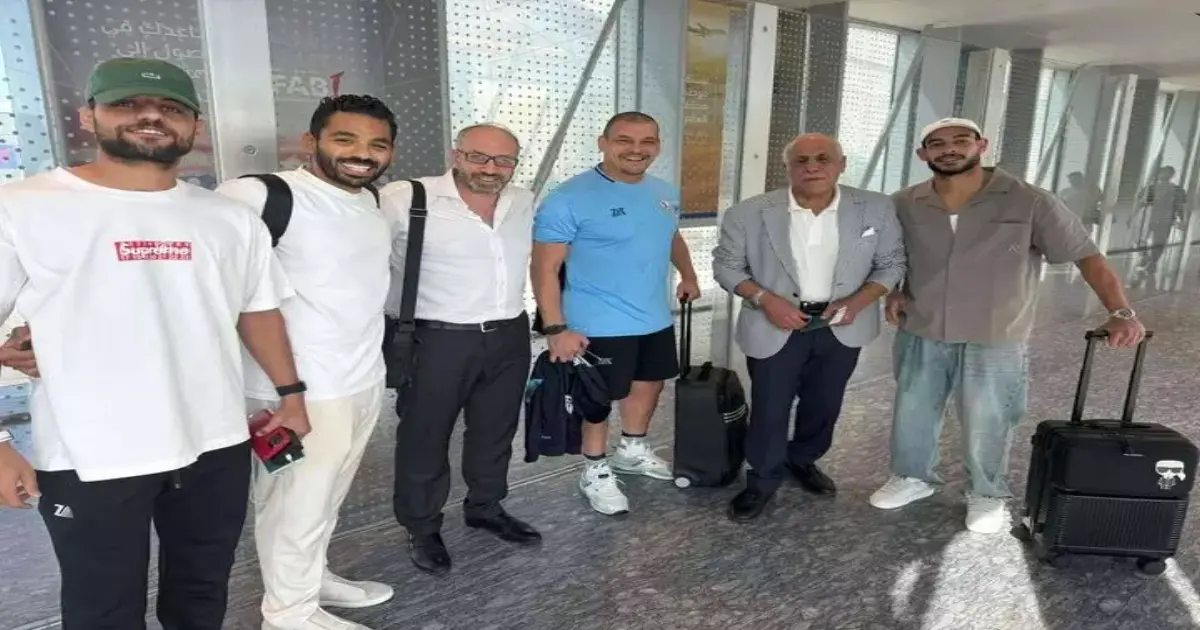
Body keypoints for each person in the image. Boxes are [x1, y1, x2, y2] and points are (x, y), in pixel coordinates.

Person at [0, 58, 308, 629]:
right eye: (127, 104)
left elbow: (258, 310)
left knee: (202, 592)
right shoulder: (21, 206)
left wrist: (292, 396)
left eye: (170, 108)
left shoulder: (228, 218)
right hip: (90, 453)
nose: (151, 117)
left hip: (214, 442)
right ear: (89, 115)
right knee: (103, 608)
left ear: (195, 125)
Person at [869, 117, 1144, 534]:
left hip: (995, 333)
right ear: (923, 154)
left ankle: (986, 492)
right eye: (937, 144)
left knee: (989, 416)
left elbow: (1085, 254)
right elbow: (891, 256)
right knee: (913, 409)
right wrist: (894, 290)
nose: (949, 149)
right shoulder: (905, 202)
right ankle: (912, 476)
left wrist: (1121, 311)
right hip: (922, 326)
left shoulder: (1028, 200)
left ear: (981, 145)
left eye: (960, 141)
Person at [213, 95, 398, 630]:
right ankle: (288, 613)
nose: (362, 154)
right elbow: (203, 275)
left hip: (359, 378)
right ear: (310, 141)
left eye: (377, 144)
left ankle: (309, 580)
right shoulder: (260, 194)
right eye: (345, 139)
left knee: (326, 496)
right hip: (297, 388)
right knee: (293, 501)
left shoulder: (371, 201)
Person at [712, 133, 906, 521]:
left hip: (842, 323)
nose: (812, 166)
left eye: (822, 158)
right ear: (787, 167)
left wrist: (858, 302)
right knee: (770, 406)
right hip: (774, 322)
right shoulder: (748, 212)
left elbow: (891, 263)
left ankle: (802, 459)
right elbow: (726, 267)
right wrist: (765, 299)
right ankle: (762, 479)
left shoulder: (876, 208)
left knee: (824, 403)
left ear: (842, 165)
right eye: (801, 160)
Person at [381, 123, 541, 577]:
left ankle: (486, 506)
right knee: (425, 435)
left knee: (495, 429)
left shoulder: (522, 201)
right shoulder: (405, 197)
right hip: (436, 337)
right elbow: (362, 261)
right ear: (456, 155)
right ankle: (421, 525)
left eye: (503, 160)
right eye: (478, 157)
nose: (491, 169)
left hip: (509, 333)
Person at [531, 111, 701, 516]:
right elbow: (544, 267)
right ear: (603, 143)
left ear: (658, 146)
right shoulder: (569, 197)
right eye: (625, 140)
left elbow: (671, 235)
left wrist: (689, 274)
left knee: (649, 384)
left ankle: (632, 450)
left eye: (647, 141)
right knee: (596, 400)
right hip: (597, 322)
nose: (636, 150)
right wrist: (556, 328)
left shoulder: (664, 192)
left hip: (654, 316)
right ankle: (594, 469)